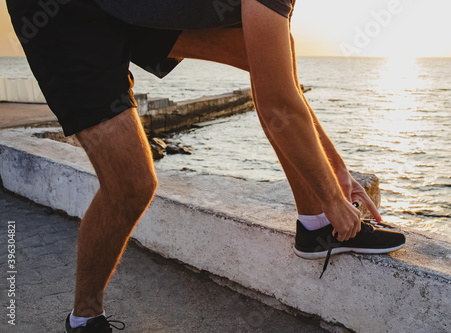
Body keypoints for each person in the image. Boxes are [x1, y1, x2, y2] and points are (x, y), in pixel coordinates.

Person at [6, 0, 405, 332]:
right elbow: (278, 104)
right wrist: (337, 200)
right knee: (132, 184)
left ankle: (315, 226)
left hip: (138, 9)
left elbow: (277, 86)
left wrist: (333, 175)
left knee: (268, 48)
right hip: (62, 16)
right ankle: (84, 320)